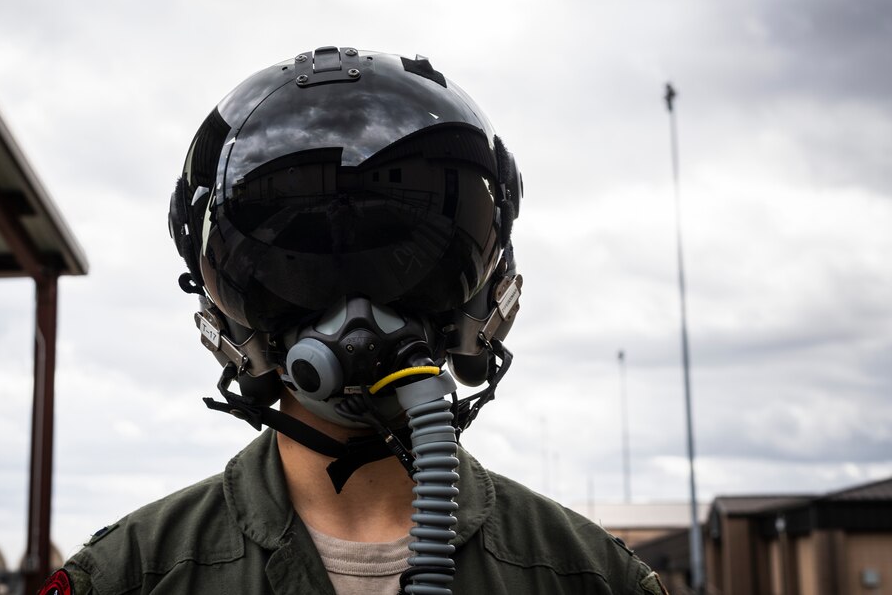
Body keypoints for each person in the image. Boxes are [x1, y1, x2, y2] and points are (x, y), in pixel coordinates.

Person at [44, 47, 667, 595]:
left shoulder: (592, 578)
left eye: (400, 261)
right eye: (303, 268)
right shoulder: (127, 578)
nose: (358, 320)